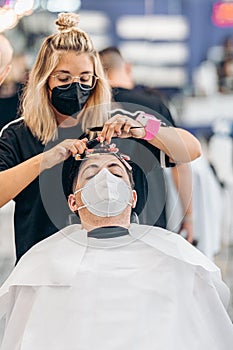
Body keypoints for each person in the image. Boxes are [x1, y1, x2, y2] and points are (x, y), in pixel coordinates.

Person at [0, 13, 201, 264]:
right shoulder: (19, 134)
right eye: (63, 79)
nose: (76, 87)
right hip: (47, 273)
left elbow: (191, 150)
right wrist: (44, 161)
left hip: (123, 268)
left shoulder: (120, 122)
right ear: (43, 80)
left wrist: (146, 130)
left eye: (85, 79)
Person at [0, 148, 232, 350]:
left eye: (116, 172)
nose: (105, 179)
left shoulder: (177, 258)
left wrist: (142, 127)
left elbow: (211, 336)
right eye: (91, 174)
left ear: (133, 197)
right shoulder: (42, 267)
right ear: (73, 202)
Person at [99, 46, 194, 242]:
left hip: (98, 219)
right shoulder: (153, 107)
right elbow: (181, 164)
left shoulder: (88, 109)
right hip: (151, 218)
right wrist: (187, 216)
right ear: (127, 67)